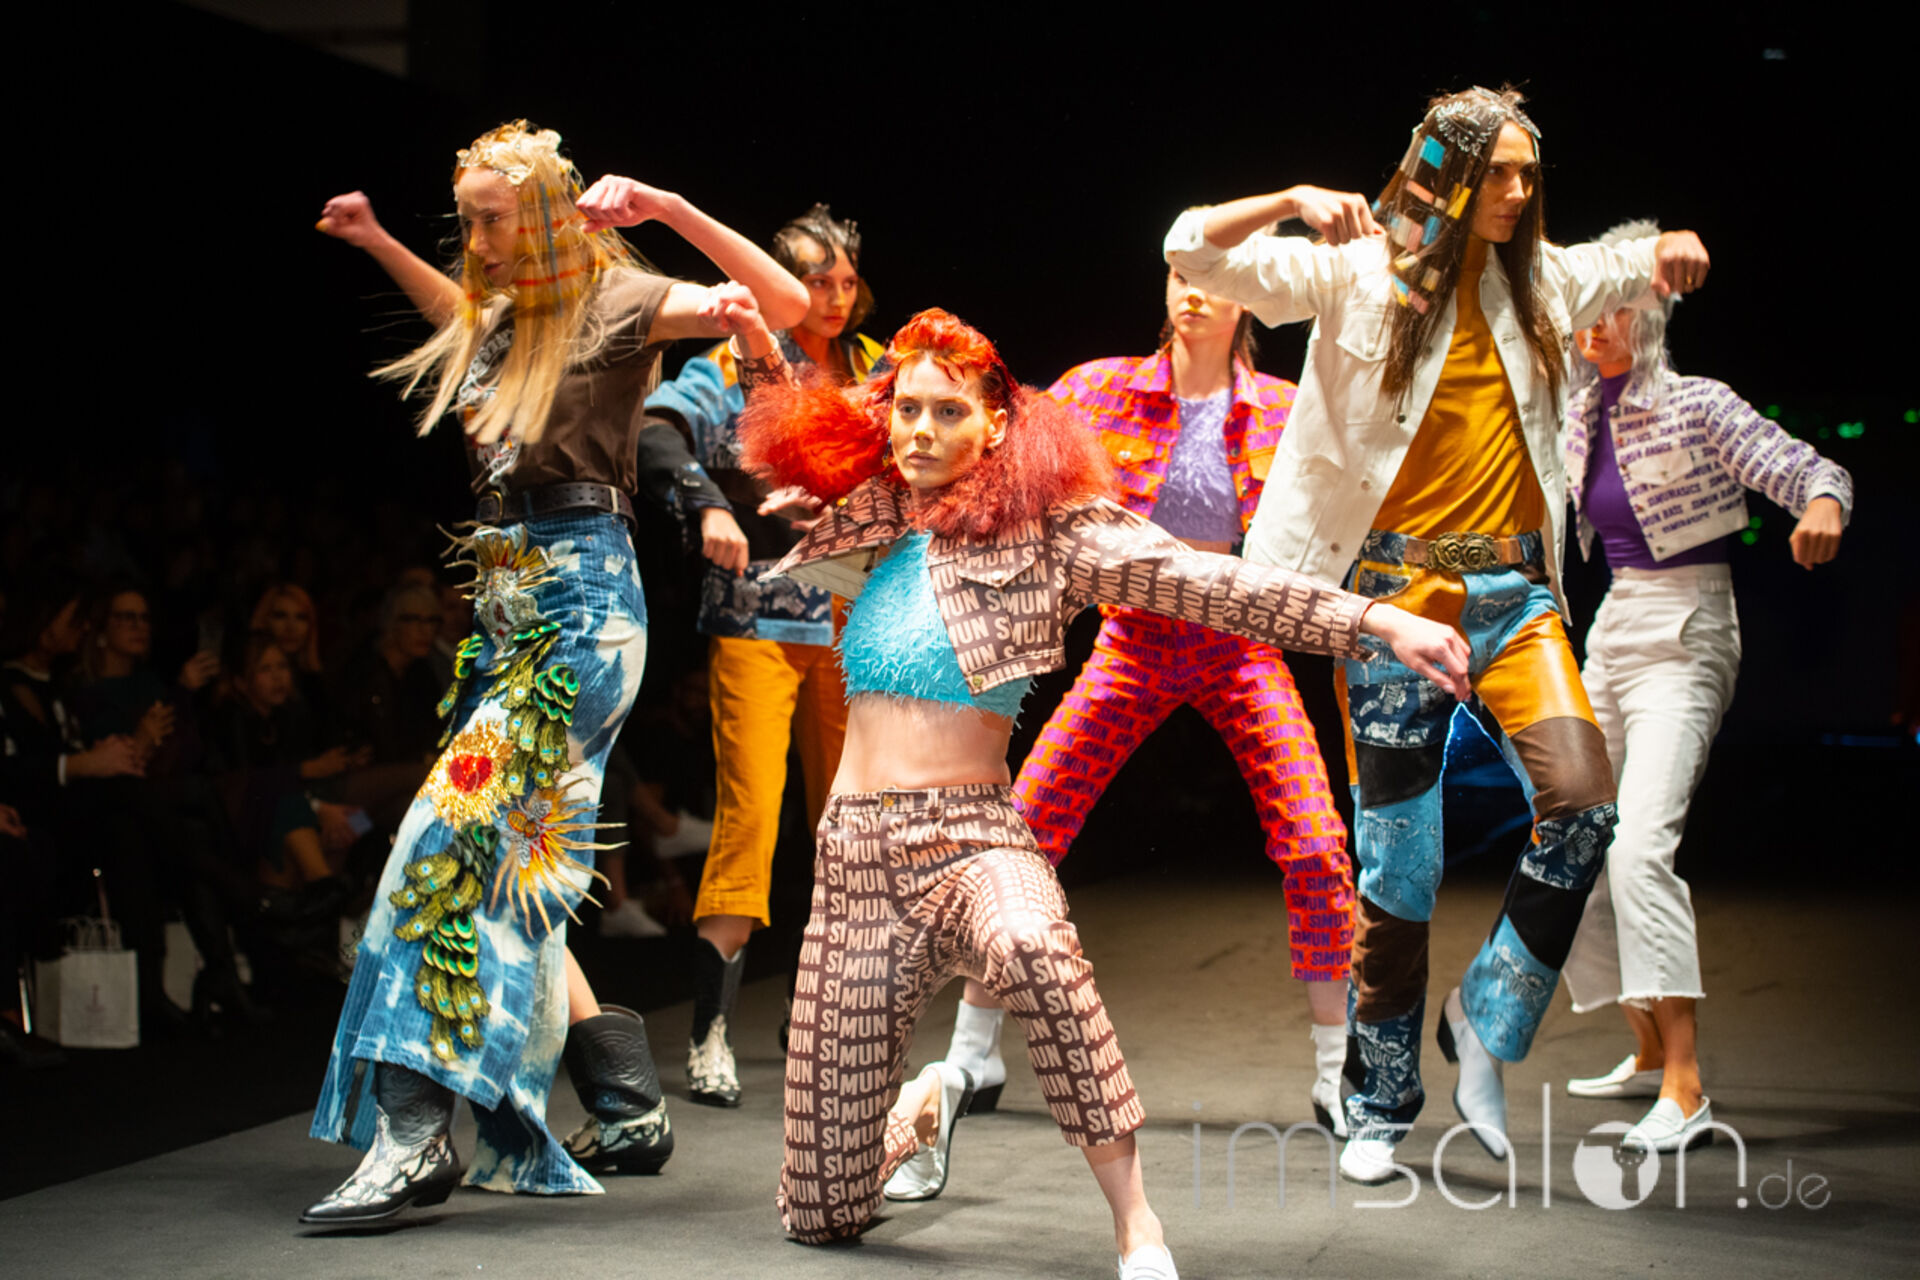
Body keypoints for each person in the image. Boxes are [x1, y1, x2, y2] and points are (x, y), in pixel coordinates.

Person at [726, 299, 1468, 1275]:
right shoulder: (875, 512)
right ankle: (926, 1104)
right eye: (907, 409)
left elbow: (1219, 586)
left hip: (971, 838)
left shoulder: (1052, 532)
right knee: (821, 1211)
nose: (922, 431)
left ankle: (1137, 1223)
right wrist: (731, 302)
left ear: (999, 421)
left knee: (1036, 946)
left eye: (949, 412)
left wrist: (1376, 620)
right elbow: (778, 395)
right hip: (854, 862)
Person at [1163, 85, 1713, 1183]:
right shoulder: (1355, 272)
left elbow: (1627, 260)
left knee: (1585, 806)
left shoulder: (1539, 279)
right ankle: (1378, 1102)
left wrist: (1669, 248)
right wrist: (1289, 197)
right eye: (1495, 171)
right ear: (1443, 173)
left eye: (1526, 173)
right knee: (1399, 868)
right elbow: (1191, 249)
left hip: (1519, 596)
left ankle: (1484, 1017)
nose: (1515, 190)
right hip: (1392, 601)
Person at [302, 119, 808, 1225]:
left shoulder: (614, 301)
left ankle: (413, 1130)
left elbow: (785, 302)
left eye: (489, 220)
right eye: (467, 222)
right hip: (509, 614)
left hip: (580, 613)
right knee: (515, 867)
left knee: (441, 848)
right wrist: (379, 241)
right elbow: (460, 319)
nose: (476, 241)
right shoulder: (507, 319)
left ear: (537, 217)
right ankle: (625, 1106)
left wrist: (666, 208)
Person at [936, 264, 1356, 1142]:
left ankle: (1338, 1066)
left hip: (1240, 639)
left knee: (1317, 842)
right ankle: (973, 1048)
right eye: (1178, 274)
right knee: (1027, 827)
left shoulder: (1286, 409)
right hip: (1133, 637)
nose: (1191, 291)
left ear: (1247, 295)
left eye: (1213, 277)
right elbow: (1004, 446)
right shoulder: (1102, 389)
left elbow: (1354, 494)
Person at [1558, 219, 1851, 1154]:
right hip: (1614, 627)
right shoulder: (1575, 408)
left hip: (1689, 630)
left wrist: (1822, 505)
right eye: (1589, 306)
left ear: (1648, 314)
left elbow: (1809, 467)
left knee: (1640, 848)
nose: (1593, 323)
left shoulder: (1696, 404)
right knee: (1571, 838)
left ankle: (1685, 1089)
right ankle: (1646, 1046)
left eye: (1615, 307)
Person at [643, 204, 881, 1106]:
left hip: (854, 620)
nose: (833, 294)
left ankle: (814, 1011)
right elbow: (656, 428)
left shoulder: (876, 366)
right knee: (750, 815)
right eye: (815, 279)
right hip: (758, 620)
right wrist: (707, 499)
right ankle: (708, 1031)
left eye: (845, 279)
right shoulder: (730, 362)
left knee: (847, 824)